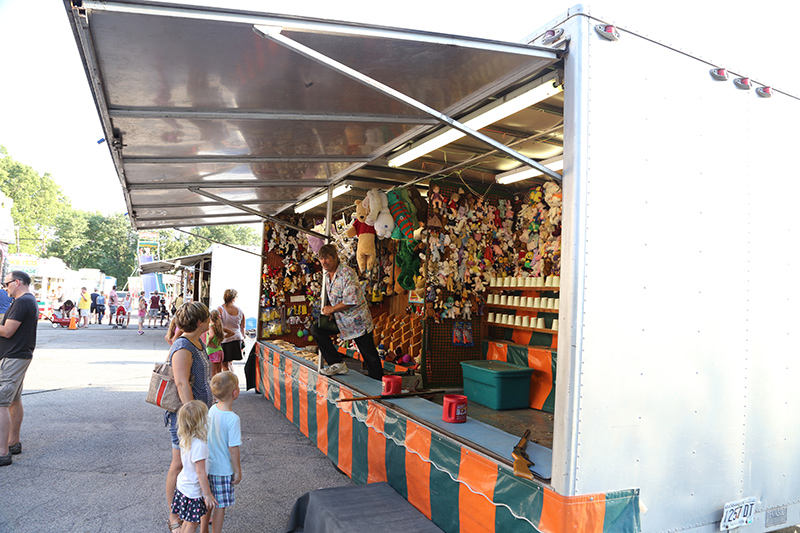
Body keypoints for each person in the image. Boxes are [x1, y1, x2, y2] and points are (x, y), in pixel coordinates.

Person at [165, 301, 213, 531]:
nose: (210, 320)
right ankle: (174, 515)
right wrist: (192, 414)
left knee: (191, 464)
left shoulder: (196, 341)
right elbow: (181, 383)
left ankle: (189, 511)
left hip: (197, 413)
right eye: (207, 318)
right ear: (200, 322)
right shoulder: (184, 346)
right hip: (186, 417)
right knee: (179, 465)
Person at [309, 244, 383, 380]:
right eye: (321, 259)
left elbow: (350, 300)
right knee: (316, 329)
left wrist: (332, 309)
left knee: (369, 355)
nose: (324, 262)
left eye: (327, 258)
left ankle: (380, 383)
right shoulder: (327, 275)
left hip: (357, 321)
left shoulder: (347, 273)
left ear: (335, 258)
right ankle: (336, 363)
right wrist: (332, 311)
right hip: (341, 320)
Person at [0, 271, 39, 466]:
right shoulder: (28, 300)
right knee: (14, 399)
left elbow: (7, 331)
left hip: (13, 356)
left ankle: (2, 452)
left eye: (6, 284)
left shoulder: (22, 302)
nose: (5, 288)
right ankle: (13, 443)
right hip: (19, 355)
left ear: (17, 282)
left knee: (1, 402)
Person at [171, 400, 217, 532]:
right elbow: (200, 472)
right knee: (192, 523)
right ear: (201, 421)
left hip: (183, 485)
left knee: (187, 520)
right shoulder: (199, 445)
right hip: (193, 491)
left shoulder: (186, 438)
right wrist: (207, 494)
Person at [207, 371, 242, 533]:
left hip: (208, 465)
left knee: (207, 500)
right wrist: (237, 471)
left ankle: (203, 530)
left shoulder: (212, 409)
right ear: (235, 392)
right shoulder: (233, 418)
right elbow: (233, 448)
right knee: (220, 505)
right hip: (222, 469)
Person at [218, 290, 245, 373]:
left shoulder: (220, 309)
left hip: (225, 339)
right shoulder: (240, 311)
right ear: (234, 298)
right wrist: (242, 339)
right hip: (236, 338)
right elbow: (242, 327)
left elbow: (217, 324)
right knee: (230, 363)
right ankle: (232, 381)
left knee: (224, 364)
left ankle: (228, 383)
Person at [206, 310, 233, 379]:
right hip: (220, 351)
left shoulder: (211, 327)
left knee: (213, 374)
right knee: (218, 372)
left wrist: (208, 343)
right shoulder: (219, 327)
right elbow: (231, 333)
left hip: (212, 351)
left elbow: (211, 335)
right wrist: (222, 338)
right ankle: (220, 387)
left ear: (210, 317)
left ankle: (213, 388)